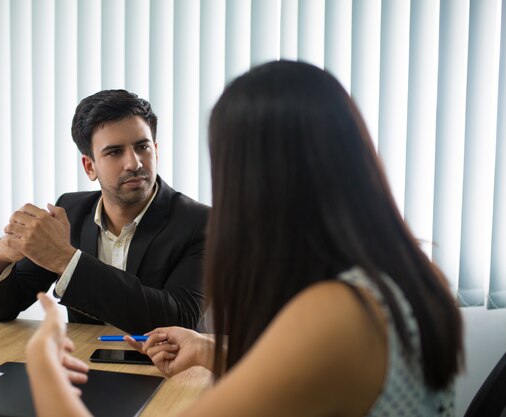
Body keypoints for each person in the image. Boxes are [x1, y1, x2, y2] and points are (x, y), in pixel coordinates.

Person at [25, 61, 464, 416]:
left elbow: (318, 347)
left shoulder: (336, 312)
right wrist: (209, 349)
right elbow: (308, 367)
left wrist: (44, 367)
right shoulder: (410, 272)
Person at [0, 89, 209, 334]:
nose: (134, 163)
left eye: (142, 147)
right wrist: (1, 256)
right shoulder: (71, 211)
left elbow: (180, 319)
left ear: (156, 150)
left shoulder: (201, 223)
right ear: (89, 166)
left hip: (167, 368)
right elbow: (2, 309)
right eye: (115, 152)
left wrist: (66, 260)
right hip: (86, 365)